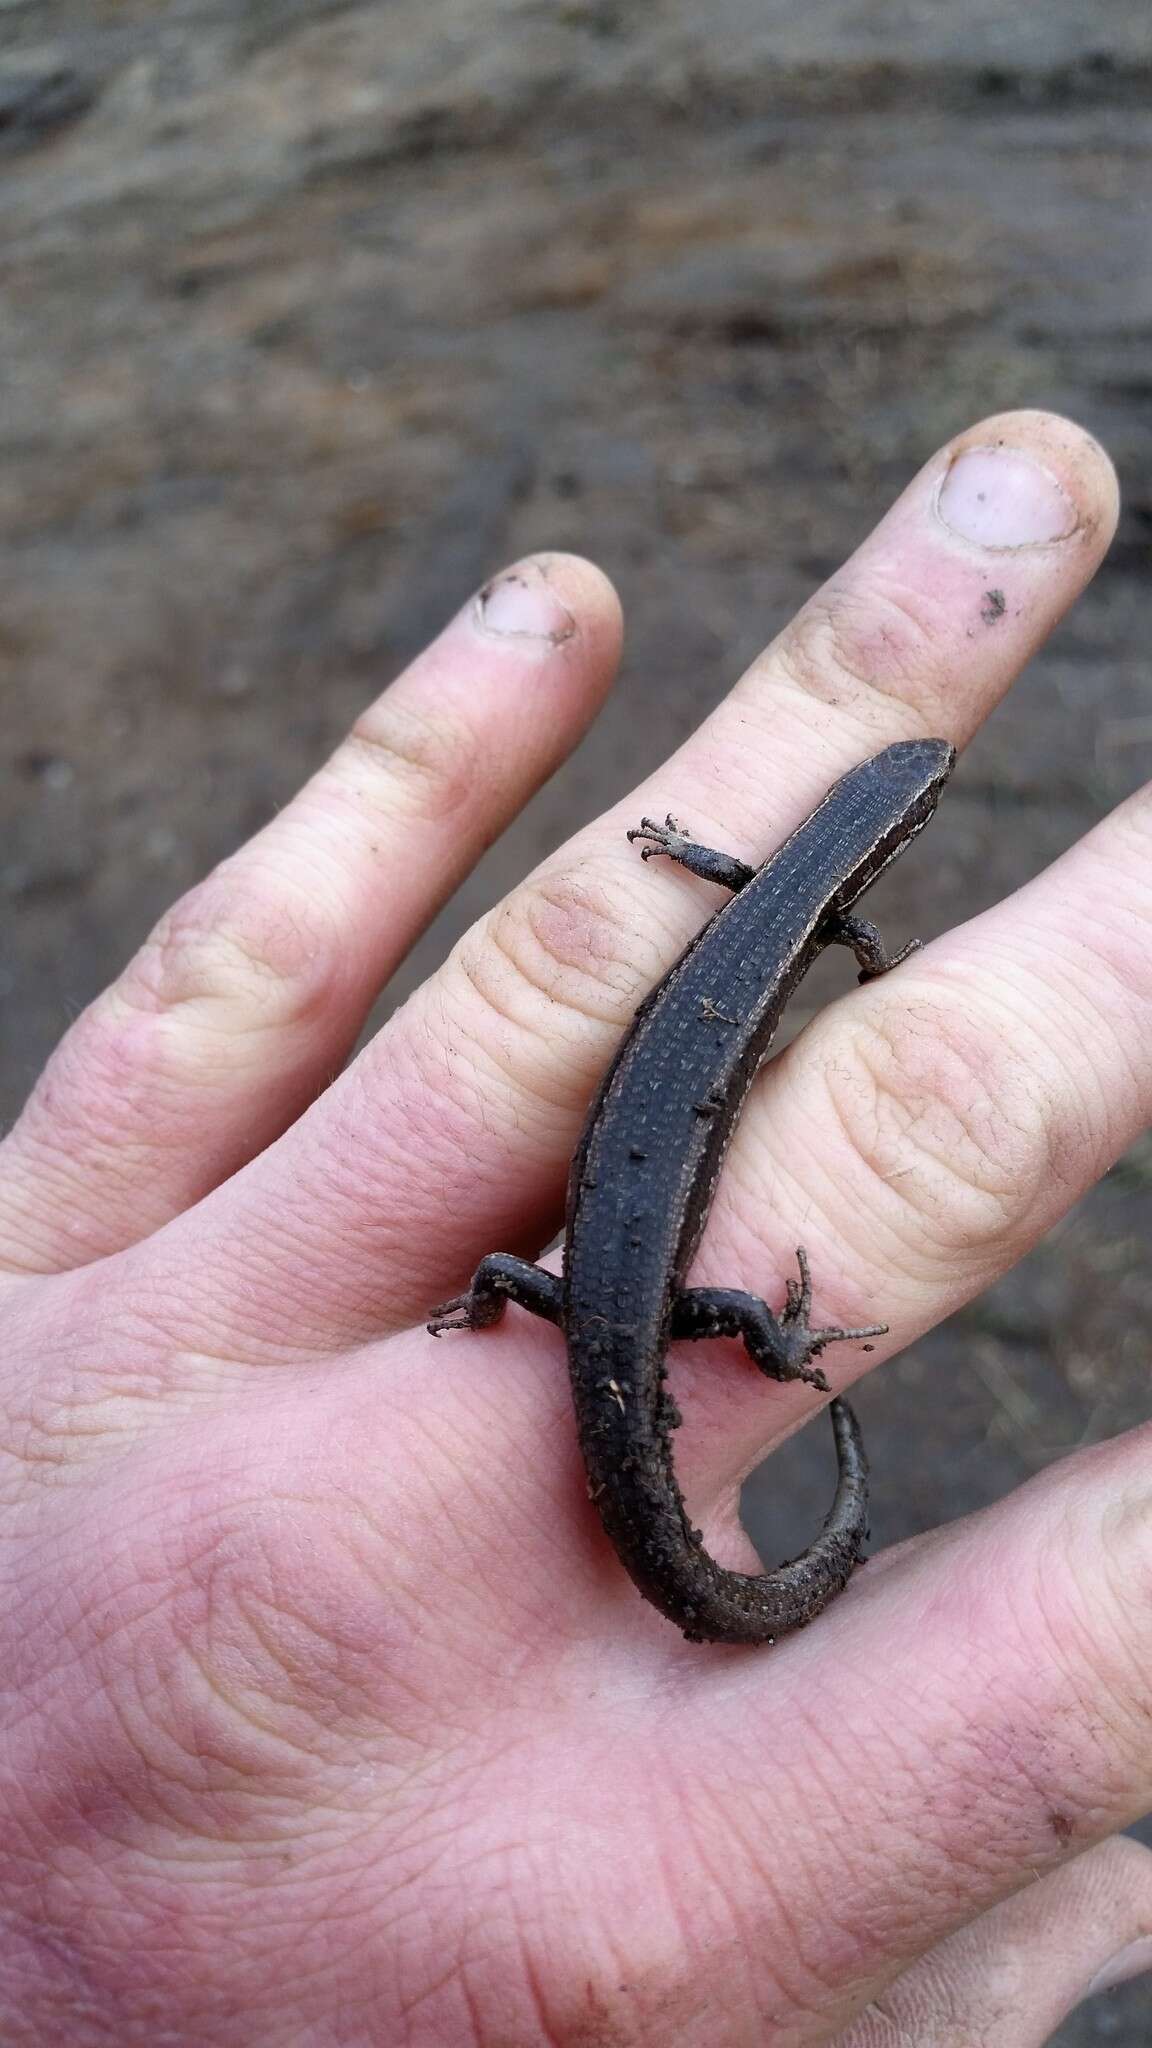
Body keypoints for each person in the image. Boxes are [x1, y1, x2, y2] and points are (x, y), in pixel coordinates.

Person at [1, 409, 1150, 2046]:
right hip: (584, 1292)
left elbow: (727, 873)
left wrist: (490, 1314)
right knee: (672, 1344)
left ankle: (722, 1397)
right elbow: (824, 934)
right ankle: (761, 1393)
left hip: (597, 1284)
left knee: (624, 1329)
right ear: (872, 856)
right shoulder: (819, 908)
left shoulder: (766, 883)